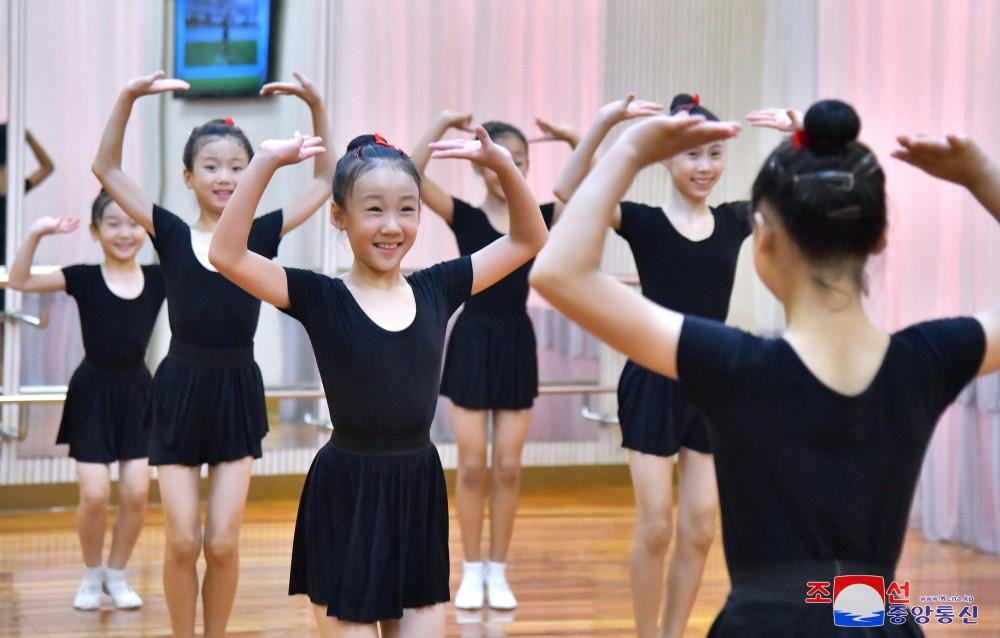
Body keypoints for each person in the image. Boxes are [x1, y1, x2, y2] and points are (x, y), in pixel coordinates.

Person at [531, 101, 999, 636]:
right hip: (871, 614)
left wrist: (633, 149)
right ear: (880, 239)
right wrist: (982, 176)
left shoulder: (732, 364)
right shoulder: (926, 362)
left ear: (764, 238)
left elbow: (560, 273)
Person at [208, 127, 547, 636]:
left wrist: (502, 165)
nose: (392, 226)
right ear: (339, 216)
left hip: (417, 492)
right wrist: (265, 165)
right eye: (374, 209)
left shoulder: (439, 286)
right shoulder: (318, 296)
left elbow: (529, 238)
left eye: (407, 209)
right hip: (345, 495)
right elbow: (227, 255)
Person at [91, 69, 334, 638]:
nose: (225, 176)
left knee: (221, 542)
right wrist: (127, 96)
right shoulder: (171, 232)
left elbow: (325, 182)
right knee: (180, 540)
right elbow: (105, 169)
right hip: (178, 388)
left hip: (236, 391)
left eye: (237, 167)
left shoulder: (262, 231)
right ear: (188, 175)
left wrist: (318, 105)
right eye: (211, 166)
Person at [553, 92, 751, 638]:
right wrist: (602, 125)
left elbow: (801, 194)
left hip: (710, 385)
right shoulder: (641, 221)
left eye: (714, 154)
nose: (704, 167)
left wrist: (805, 132)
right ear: (668, 158)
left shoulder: (735, 221)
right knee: (658, 527)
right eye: (691, 155)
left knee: (701, 528)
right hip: (651, 380)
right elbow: (568, 190)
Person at [410, 111, 578, 609]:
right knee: (470, 466)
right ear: (482, 166)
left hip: (515, 341)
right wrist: (439, 124)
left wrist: (574, 139)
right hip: (472, 340)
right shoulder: (465, 215)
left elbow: (583, 191)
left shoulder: (540, 217)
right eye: (503, 160)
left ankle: (499, 571)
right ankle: (470, 568)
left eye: (521, 162)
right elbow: (412, 177)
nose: (513, 169)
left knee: (507, 466)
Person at [8, 190, 164, 611]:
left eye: (132, 223)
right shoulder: (83, 276)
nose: (124, 232)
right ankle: (92, 574)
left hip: (137, 393)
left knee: (135, 491)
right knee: (94, 493)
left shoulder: (159, 279)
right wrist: (38, 234)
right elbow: (19, 280)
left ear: (145, 230)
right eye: (112, 223)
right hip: (93, 391)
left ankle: (117, 573)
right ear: (95, 231)